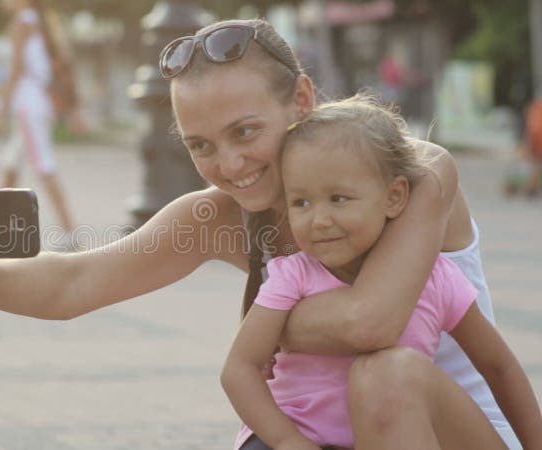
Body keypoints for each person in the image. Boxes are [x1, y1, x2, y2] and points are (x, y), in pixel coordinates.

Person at [0, 19, 525, 448]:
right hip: (312, 434)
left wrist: (264, 325)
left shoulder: (414, 174)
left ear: (303, 100)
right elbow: (77, 280)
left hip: (446, 432)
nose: (230, 165)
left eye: (244, 132)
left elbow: (370, 324)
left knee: (384, 374)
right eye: (201, 146)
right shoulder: (219, 219)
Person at [221, 95, 542, 450]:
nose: (320, 220)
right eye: (301, 202)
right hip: (303, 438)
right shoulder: (292, 276)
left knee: (384, 373)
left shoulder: (436, 279)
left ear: (394, 197)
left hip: (400, 436)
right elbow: (239, 369)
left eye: (339, 198)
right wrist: (286, 441)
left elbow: (499, 367)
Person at [0, 0, 77, 235]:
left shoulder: (23, 22)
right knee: (10, 166)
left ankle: (69, 233)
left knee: (44, 166)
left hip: (29, 105)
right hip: (38, 103)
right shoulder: (40, 22)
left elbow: (16, 69)